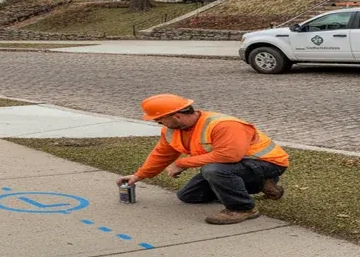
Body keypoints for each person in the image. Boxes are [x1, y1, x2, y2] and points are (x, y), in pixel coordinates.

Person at [116, 94, 289, 225]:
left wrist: (181, 163)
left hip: (267, 163)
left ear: (176, 116)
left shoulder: (223, 124)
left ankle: (242, 208)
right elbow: (162, 155)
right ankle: (260, 184)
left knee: (212, 170)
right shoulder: (172, 130)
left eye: (159, 119)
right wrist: (138, 176)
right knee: (189, 195)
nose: (158, 123)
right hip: (234, 167)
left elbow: (229, 155)